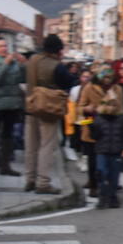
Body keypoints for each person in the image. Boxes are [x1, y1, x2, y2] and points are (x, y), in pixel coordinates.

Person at [23, 34, 75, 194]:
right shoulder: (55, 65)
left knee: (31, 145)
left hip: (31, 106)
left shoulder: (32, 60)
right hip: (48, 108)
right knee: (46, 145)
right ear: (58, 50)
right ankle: (43, 182)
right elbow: (68, 81)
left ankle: (30, 179)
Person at [0, 37, 25, 176]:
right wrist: (5, 65)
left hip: (12, 103)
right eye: (1, 46)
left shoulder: (13, 62)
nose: (4, 49)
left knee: (8, 135)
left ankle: (5, 165)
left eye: (5, 46)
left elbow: (21, 79)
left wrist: (23, 65)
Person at [89, 80, 123, 209]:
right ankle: (103, 196)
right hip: (102, 151)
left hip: (116, 151)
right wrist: (92, 127)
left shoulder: (121, 119)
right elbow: (95, 136)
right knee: (101, 173)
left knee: (114, 175)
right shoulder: (99, 119)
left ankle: (112, 196)